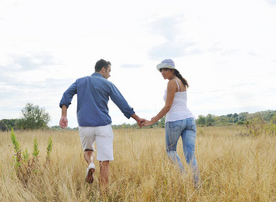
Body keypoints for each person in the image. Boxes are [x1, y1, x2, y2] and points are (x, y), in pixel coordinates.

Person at [59, 59, 145, 193]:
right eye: (109, 71)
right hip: (103, 125)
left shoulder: (80, 81)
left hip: (85, 125)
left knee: (88, 150)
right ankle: (104, 195)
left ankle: (90, 164)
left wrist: (64, 115)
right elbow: (122, 103)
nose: (110, 75)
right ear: (103, 70)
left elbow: (66, 95)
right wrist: (137, 119)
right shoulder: (107, 84)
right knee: (105, 161)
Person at [143, 59, 200, 187]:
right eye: (161, 70)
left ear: (172, 70)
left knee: (171, 151)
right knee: (190, 156)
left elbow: (168, 106)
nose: (163, 72)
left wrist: (153, 120)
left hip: (175, 120)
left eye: (165, 69)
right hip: (189, 120)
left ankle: (184, 178)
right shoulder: (182, 82)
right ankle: (197, 186)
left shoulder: (172, 83)